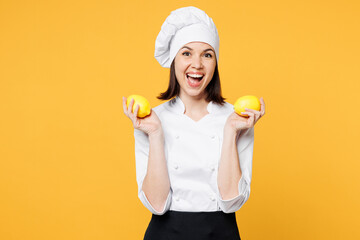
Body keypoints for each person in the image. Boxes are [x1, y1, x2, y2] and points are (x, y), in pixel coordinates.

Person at [122, 6, 266, 240]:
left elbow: (231, 202)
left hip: (221, 233)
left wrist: (230, 131)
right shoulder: (151, 120)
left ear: (215, 63)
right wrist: (156, 133)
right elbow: (157, 205)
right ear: (174, 60)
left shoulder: (237, 119)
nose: (197, 64)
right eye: (186, 53)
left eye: (207, 54)